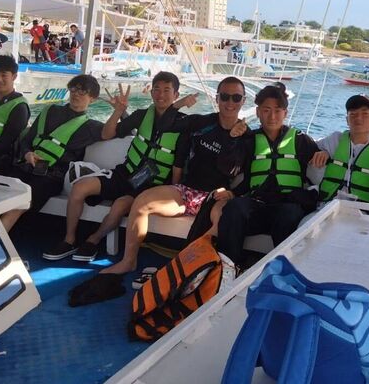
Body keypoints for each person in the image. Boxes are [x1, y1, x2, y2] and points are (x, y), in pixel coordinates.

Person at [97, 76, 250, 275]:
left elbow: (243, 175)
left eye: (236, 98)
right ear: (217, 98)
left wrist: (232, 192)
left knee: (224, 220)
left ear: (243, 101)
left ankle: (196, 272)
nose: (230, 102)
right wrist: (178, 104)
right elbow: (164, 125)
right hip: (186, 191)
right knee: (141, 202)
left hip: (215, 196)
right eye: (225, 97)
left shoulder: (248, 137)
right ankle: (129, 261)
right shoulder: (202, 122)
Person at [42, 71, 189, 262]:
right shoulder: (141, 115)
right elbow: (109, 133)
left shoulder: (183, 125)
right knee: (80, 187)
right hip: (125, 173)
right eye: (156, 89)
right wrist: (118, 111)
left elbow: (178, 165)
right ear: (151, 92)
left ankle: (93, 240)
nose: (161, 94)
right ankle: (69, 240)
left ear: (176, 95)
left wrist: (173, 191)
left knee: (120, 205)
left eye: (167, 90)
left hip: (152, 185)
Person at [216, 83, 329, 268]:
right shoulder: (249, 140)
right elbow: (229, 169)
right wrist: (232, 139)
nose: (272, 116)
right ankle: (228, 267)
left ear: (285, 113)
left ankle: (283, 270)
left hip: (287, 207)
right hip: (257, 206)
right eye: (266, 110)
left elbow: (320, 160)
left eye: (277, 110)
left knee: (289, 214)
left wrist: (324, 153)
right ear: (258, 112)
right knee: (234, 208)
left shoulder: (300, 140)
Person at [0, 75, 106, 231]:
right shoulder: (50, 111)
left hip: (52, 177)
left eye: (82, 92)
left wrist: (120, 111)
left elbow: (123, 130)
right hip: (26, 166)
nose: (76, 94)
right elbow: (27, 140)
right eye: (73, 89)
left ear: (92, 98)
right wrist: (27, 153)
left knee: (19, 204)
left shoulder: (91, 127)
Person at [313, 94, 369, 205]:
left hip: (362, 212)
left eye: (365, 113)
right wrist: (324, 151)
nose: (358, 118)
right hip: (326, 208)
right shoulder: (334, 140)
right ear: (347, 120)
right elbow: (308, 147)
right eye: (353, 114)